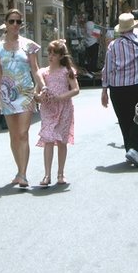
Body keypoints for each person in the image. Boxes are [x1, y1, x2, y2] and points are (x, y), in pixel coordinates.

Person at [0, 8, 41, 189]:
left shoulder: (28, 45)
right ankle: (19, 170)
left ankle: (23, 174)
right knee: (13, 136)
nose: (15, 25)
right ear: (6, 23)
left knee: (23, 133)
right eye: (12, 21)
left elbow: (35, 69)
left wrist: (39, 88)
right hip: (6, 94)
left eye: (19, 21)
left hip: (25, 92)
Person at [101, 12, 138, 167]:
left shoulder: (113, 45)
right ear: (133, 26)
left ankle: (131, 150)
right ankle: (133, 150)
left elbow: (108, 69)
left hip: (117, 89)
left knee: (124, 120)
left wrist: (104, 90)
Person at [34, 40, 79, 186]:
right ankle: (47, 175)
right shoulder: (43, 72)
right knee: (48, 139)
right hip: (48, 109)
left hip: (64, 108)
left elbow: (76, 89)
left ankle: (61, 173)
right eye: (49, 53)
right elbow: (36, 93)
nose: (51, 56)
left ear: (61, 56)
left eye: (54, 54)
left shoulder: (67, 71)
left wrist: (60, 97)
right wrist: (39, 97)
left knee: (61, 141)